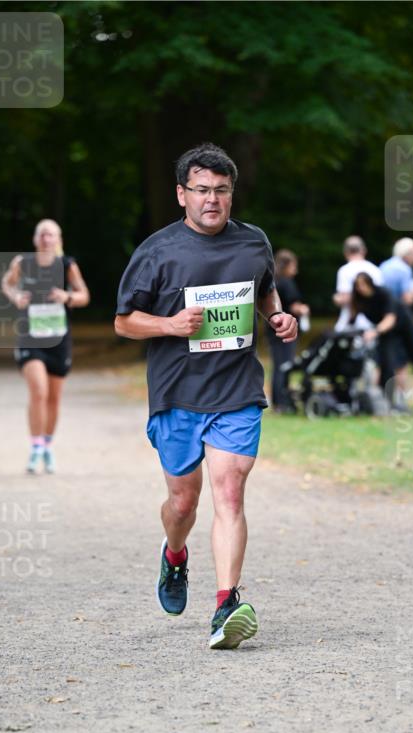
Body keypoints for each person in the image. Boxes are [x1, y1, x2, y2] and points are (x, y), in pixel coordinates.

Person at [114, 143, 297, 650]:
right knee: (182, 501)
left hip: (236, 389)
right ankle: (175, 556)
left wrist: (276, 316)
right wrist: (169, 324)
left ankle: (225, 605)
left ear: (232, 194)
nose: (212, 200)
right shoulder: (157, 251)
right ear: (181, 195)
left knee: (231, 491)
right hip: (177, 394)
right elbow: (124, 321)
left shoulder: (253, 242)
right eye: (201, 190)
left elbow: (265, 291)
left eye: (221, 190)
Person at [2, 219, 90, 473]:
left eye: (50, 234)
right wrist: (16, 296)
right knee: (38, 392)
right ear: (35, 239)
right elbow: (7, 283)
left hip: (58, 339)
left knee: (53, 398)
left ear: (58, 239)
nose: (45, 239)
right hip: (30, 337)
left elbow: (84, 295)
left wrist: (68, 297)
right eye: (42, 234)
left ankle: (47, 446)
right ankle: (35, 447)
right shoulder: (22, 263)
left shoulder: (67, 265)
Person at [348, 272, 413, 409]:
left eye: (363, 284)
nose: (361, 288)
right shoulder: (358, 300)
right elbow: (351, 319)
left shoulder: (383, 294)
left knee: (395, 364)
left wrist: (375, 331)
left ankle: (398, 400)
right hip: (379, 336)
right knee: (379, 365)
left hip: (397, 330)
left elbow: (390, 319)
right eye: (358, 285)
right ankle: (381, 399)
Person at [379, 237, 413, 400]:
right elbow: (407, 298)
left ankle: (388, 396)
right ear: (406, 253)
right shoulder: (405, 270)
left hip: (385, 316)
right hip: (402, 316)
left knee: (390, 356)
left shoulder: (384, 266)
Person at [267, 249, 310, 412]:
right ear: (287, 265)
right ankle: (283, 403)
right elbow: (293, 306)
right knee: (285, 365)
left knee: (277, 365)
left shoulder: (273, 281)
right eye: (294, 265)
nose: (296, 269)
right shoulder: (286, 282)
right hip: (285, 330)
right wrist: (304, 309)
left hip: (272, 329)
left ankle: (277, 402)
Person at [333, 236, 383, 331]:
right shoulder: (375, 270)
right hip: (373, 323)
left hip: (351, 324)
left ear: (346, 252)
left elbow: (346, 298)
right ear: (364, 250)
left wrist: (336, 298)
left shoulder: (344, 271)